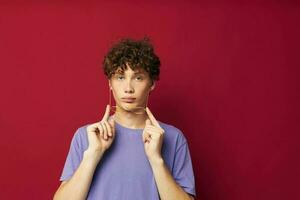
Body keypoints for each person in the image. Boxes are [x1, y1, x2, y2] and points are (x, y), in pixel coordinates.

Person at [53, 37, 196, 200]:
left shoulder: (173, 137)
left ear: (152, 84)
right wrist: (93, 154)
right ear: (110, 83)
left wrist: (156, 160)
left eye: (138, 78)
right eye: (120, 77)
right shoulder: (87, 136)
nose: (128, 88)